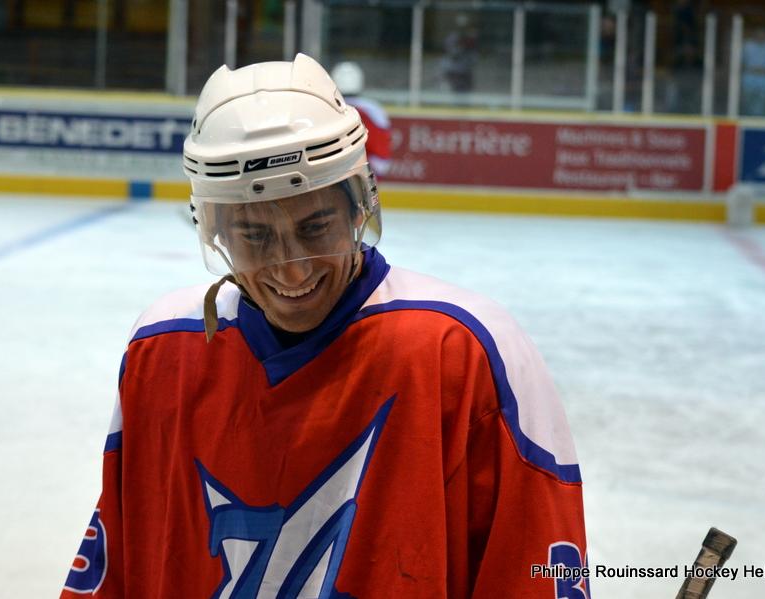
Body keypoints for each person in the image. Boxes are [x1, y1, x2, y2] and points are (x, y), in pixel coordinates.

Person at [61, 54, 589, 598]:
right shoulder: (163, 351)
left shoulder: (462, 351)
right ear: (215, 230)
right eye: (254, 236)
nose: (291, 271)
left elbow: (538, 569)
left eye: (316, 228)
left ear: (359, 206)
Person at [331, 61, 393, 178]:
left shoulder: (328, 108)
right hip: (368, 173)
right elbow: (383, 161)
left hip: (334, 172)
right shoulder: (375, 109)